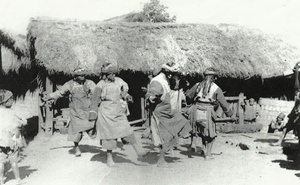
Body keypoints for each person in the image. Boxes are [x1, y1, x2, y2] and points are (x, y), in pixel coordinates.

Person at [92, 63, 146, 167]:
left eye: (114, 74)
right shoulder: (100, 85)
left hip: (117, 111)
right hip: (106, 113)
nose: (113, 76)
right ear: (106, 75)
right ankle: (109, 159)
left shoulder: (119, 81)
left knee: (127, 130)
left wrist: (127, 96)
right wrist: (93, 114)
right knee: (110, 137)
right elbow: (94, 100)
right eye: (111, 74)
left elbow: (123, 91)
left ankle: (139, 151)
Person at [145, 62, 192, 167]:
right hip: (160, 112)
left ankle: (162, 158)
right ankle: (161, 160)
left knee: (182, 122)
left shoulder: (166, 80)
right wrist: (152, 98)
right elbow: (152, 94)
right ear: (167, 73)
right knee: (166, 135)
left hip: (168, 111)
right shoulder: (157, 81)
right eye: (172, 73)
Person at [43, 67, 97, 157]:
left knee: (91, 125)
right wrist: (49, 96)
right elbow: (59, 92)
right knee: (75, 131)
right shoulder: (69, 84)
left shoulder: (89, 83)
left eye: (84, 75)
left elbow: (96, 91)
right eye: (80, 76)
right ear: (75, 77)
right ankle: (77, 148)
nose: (83, 77)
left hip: (86, 111)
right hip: (75, 111)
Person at [185, 67, 233, 160]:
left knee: (200, 130)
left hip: (196, 110)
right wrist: (230, 114)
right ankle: (208, 154)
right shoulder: (216, 88)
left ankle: (202, 148)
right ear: (214, 77)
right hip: (208, 111)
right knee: (210, 133)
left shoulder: (197, 85)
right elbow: (223, 103)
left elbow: (188, 95)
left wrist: (191, 102)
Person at [0, 90, 27, 185]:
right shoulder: (11, 113)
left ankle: (1, 180)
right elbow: (18, 123)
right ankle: (18, 179)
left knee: (1, 162)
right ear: (6, 101)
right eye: (11, 99)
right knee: (14, 161)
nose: (12, 101)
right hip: (10, 141)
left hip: (0, 141)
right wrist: (23, 121)